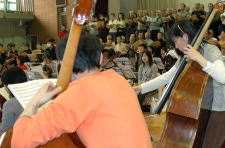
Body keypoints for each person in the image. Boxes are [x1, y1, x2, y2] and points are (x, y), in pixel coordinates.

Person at [11, 33, 152, 148]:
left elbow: (20, 141)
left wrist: (35, 101)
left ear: (62, 63)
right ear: (101, 57)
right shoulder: (118, 79)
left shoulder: (78, 93)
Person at [134, 21, 225, 147]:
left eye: (175, 41)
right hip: (205, 107)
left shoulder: (210, 50)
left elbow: (222, 77)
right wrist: (141, 88)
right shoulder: (185, 56)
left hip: (224, 107)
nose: (176, 46)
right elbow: (168, 76)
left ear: (185, 36)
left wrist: (198, 57)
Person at [0, 67, 27, 136]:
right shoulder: (38, 95)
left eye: (4, 84)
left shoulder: (9, 104)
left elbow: (4, 131)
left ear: (8, 86)